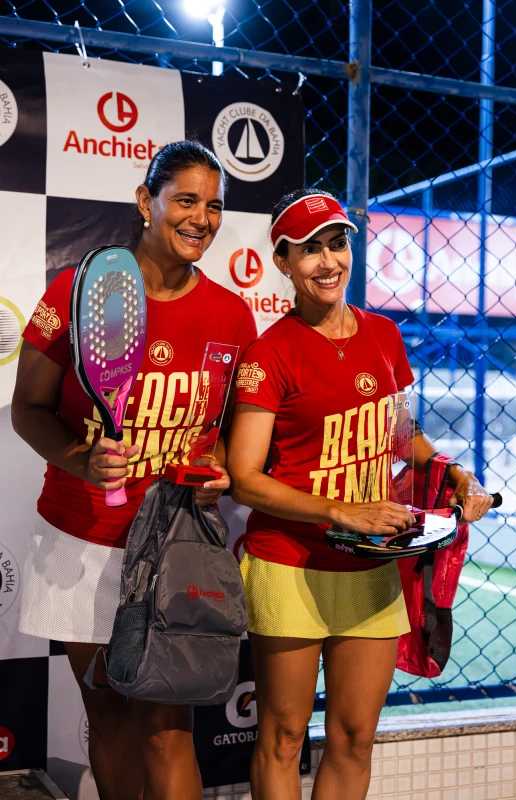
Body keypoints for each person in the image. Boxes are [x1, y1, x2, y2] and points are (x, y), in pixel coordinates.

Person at [227, 188, 493, 800]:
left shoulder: (384, 336)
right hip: (290, 563)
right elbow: (244, 477)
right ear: (283, 262)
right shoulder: (269, 354)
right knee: (283, 738)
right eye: (309, 250)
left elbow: (402, 436)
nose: (328, 261)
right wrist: (339, 510)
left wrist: (454, 471)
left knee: (353, 738)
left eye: (337, 244)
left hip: (372, 565)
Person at [12, 141, 257, 800]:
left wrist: (221, 469)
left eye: (214, 206)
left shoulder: (232, 315)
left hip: (176, 549)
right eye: (186, 200)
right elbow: (28, 410)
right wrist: (81, 460)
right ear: (147, 202)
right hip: (83, 539)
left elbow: (237, 436)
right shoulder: (76, 292)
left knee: (168, 729)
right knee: (111, 716)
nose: (201, 218)